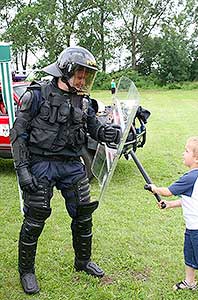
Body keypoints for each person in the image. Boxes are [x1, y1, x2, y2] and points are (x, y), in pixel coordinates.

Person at [10, 46, 121, 294]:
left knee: (83, 214)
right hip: (41, 163)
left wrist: (107, 132)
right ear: (66, 71)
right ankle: (26, 271)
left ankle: (82, 261)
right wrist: (23, 171)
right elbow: (18, 135)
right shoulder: (36, 95)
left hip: (72, 164)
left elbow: (95, 128)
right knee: (35, 217)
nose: (83, 81)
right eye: (80, 75)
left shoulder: (82, 99)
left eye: (86, 76)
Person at [149, 136, 198, 291]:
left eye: (186, 151)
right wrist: (170, 205)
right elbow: (189, 200)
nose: (183, 154)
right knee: (189, 255)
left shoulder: (191, 177)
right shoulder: (196, 177)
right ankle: (190, 282)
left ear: (197, 158)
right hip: (192, 228)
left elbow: (168, 191)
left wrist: (155, 189)